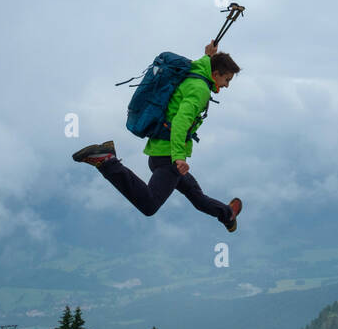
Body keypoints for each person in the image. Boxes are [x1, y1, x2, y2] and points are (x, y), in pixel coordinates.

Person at [74, 40, 243, 232]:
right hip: (168, 157)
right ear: (216, 74)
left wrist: (209, 55)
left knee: (197, 197)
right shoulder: (200, 89)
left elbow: (202, 65)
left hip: (160, 151)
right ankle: (107, 162)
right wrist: (178, 157)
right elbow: (181, 122)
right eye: (227, 79)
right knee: (149, 205)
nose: (227, 85)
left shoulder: (194, 74)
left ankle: (227, 214)